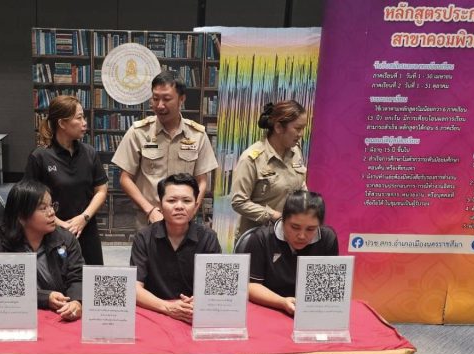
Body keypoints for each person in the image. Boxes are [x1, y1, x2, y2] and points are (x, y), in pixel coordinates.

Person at [112, 71, 219, 228]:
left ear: (181, 99)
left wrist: (192, 209)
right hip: (148, 220)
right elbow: (125, 179)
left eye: (167, 99)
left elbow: (202, 180)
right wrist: (150, 210)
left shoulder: (197, 134)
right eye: (155, 99)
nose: (160, 105)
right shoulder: (139, 132)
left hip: (184, 220)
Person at [0, 180, 84, 321]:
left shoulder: (65, 239)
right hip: (15, 317)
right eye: (43, 208)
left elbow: (78, 277)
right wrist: (45, 298)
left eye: (51, 205)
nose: (52, 213)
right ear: (21, 216)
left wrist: (76, 302)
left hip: (58, 316)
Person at [25, 95, 108, 265]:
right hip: (52, 233)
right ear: (62, 123)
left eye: (84, 117)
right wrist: (62, 225)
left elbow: (101, 190)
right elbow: (31, 199)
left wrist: (83, 218)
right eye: (79, 118)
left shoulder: (89, 153)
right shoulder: (39, 157)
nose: (84, 123)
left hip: (87, 231)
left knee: (91, 277)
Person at [130, 173, 222, 323]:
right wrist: (167, 307)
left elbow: (216, 288)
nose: (179, 206)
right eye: (172, 200)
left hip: (194, 314)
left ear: (196, 206)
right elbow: (134, 289)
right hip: (155, 312)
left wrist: (198, 304)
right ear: (160, 205)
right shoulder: (144, 238)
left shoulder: (208, 238)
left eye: (187, 201)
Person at [239, 191, 339, 315]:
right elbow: (251, 286)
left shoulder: (327, 238)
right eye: (295, 227)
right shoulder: (261, 239)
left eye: (310, 229)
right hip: (268, 308)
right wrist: (282, 302)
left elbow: (329, 287)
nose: (302, 236)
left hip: (311, 312)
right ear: (283, 220)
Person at [230, 100, 309, 236]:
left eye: (303, 128)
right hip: (257, 237)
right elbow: (239, 201)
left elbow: (300, 184)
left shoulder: (295, 151)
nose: (301, 134)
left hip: (287, 235)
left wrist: (307, 205)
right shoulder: (252, 158)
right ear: (278, 127)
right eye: (297, 128)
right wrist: (274, 216)